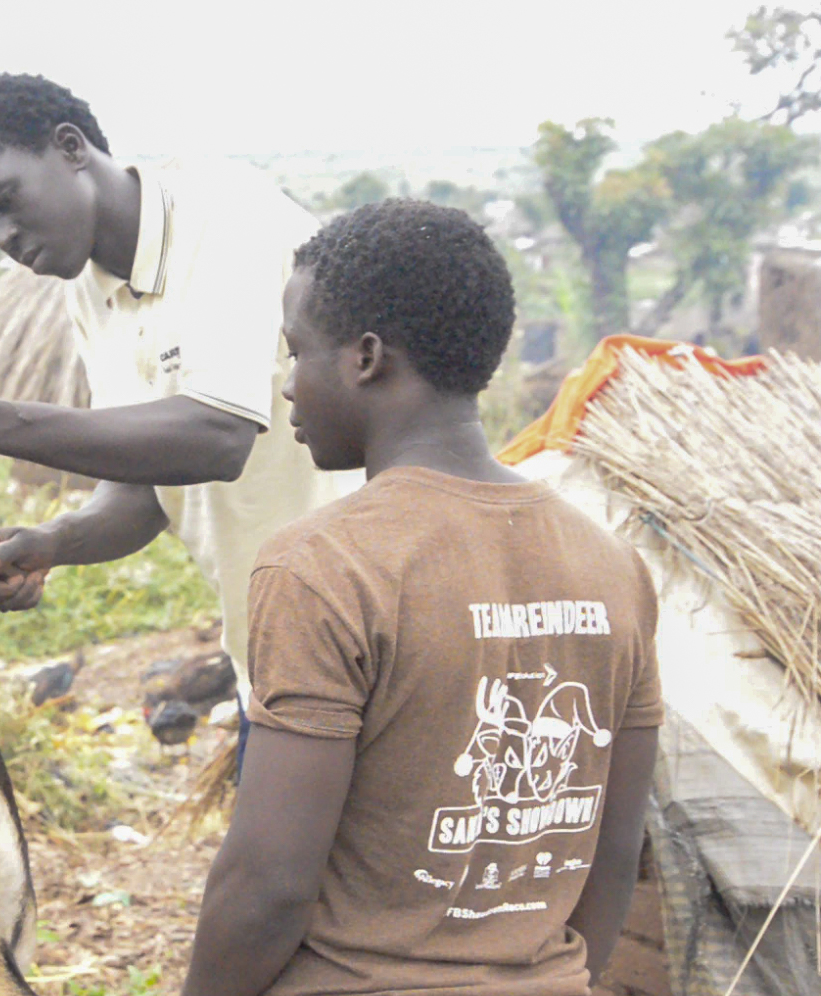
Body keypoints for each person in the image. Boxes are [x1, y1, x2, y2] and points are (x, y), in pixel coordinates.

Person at [182, 200, 662, 996]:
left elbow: (268, 886)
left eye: (297, 352)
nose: (287, 387)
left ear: (365, 357)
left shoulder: (323, 567)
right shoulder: (613, 567)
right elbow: (614, 857)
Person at [0, 73, 359, 696]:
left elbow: (217, 438)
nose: (5, 238)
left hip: (363, 627)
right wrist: (55, 541)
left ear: (71, 147)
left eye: (6, 200)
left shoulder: (225, 220)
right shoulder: (90, 289)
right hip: (274, 649)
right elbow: (142, 490)